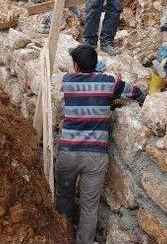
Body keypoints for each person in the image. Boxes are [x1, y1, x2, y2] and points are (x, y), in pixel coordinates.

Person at [55, 44, 145, 244]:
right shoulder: (109, 82)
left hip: (69, 152)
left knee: (64, 195)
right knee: (89, 205)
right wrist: (144, 99)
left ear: (76, 65)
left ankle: (62, 234)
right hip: (95, 156)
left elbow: (76, 86)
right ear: (96, 64)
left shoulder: (68, 81)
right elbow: (135, 92)